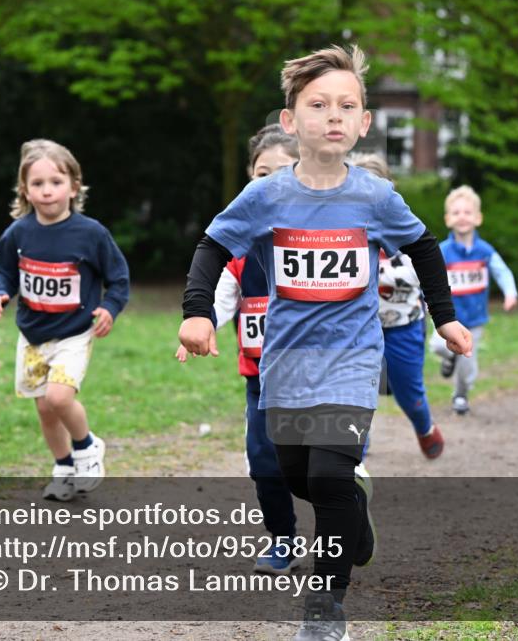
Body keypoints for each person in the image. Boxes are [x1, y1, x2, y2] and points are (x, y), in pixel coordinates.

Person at [177, 45, 472, 641]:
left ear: (364, 123)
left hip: (353, 360)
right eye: (318, 105)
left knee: (331, 479)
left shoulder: (373, 197)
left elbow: (423, 247)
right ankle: (354, 518)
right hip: (285, 362)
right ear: (291, 121)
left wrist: (444, 319)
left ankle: (325, 607)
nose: (333, 116)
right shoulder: (267, 196)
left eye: (347, 106)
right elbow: (214, 246)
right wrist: (198, 314)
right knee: (297, 477)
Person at [184, 123, 305, 574]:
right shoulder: (239, 251)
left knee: (314, 463)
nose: (272, 182)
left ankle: (346, 518)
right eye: (261, 173)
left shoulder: (317, 244)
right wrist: (202, 324)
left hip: (315, 378)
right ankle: (283, 540)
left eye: (285, 172)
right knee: (263, 462)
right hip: (260, 381)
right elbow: (220, 299)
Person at [0, 139, 130, 500]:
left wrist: (109, 308)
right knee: (46, 410)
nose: (47, 191)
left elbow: (119, 278)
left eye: (56, 182)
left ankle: (87, 446)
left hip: (74, 333)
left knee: (59, 398)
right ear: (25, 190)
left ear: (74, 186)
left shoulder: (91, 233)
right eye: (37, 184)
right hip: (32, 337)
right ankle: (63, 466)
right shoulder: (18, 233)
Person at [348, 152, 444, 458]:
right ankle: (355, 456)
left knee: (408, 392)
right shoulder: (343, 236)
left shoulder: (405, 233)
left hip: (404, 326)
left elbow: (431, 276)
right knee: (356, 392)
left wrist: (441, 320)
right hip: (358, 330)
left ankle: (424, 425)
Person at [430, 185, 518, 416]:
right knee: (437, 345)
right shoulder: (442, 252)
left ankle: (461, 395)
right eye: (456, 213)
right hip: (446, 318)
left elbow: (502, 272)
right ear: (448, 219)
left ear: (478, 218)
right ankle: (448, 358)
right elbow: (429, 279)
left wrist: (510, 293)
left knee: (467, 367)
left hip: (474, 320)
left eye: (467, 212)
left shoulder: (485, 251)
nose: (462, 217)